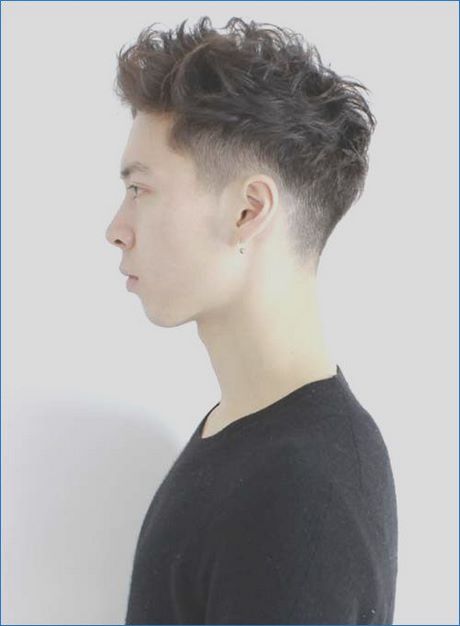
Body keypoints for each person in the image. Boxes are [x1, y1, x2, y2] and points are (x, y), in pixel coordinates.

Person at [105, 16, 398, 625]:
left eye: (140, 190)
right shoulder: (245, 431)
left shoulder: (300, 493)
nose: (117, 229)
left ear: (247, 211)